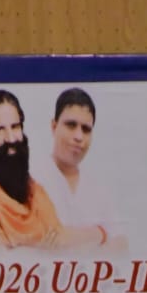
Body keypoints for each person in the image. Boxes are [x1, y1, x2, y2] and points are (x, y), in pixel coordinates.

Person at [0, 89, 111, 253]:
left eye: (15, 127)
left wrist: (99, 233)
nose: (11, 138)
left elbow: (61, 241)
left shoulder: (34, 192)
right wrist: (43, 248)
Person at [34, 87, 125, 251]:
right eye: (71, 125)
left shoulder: (97, 188)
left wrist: (96, 234)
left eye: (86, 129)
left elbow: (121, 244)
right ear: (54, 126)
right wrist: (100, 233)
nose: (78, 136)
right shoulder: (31, 178)